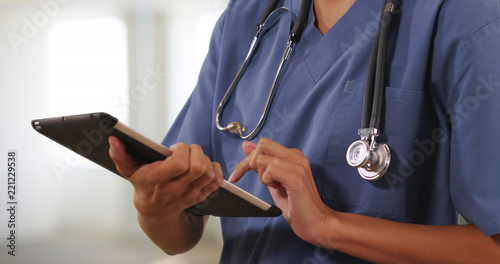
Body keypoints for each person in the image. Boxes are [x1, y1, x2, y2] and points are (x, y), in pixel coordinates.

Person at [109, 0, 500, 263]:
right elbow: (181, 233)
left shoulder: (462, 16)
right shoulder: (251, 16)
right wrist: (153, 207)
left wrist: (329, 227)